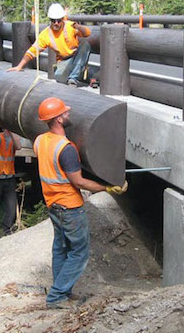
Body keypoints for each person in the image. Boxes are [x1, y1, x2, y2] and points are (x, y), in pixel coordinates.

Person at [32, 97, 126, 309]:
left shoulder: (40, 141)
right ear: (57, 119)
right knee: (79, 252)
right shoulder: (66, 148)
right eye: (64, 113)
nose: (68, 114)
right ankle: (56, 297)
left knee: (61, 249)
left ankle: (62, 291)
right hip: (69, 206)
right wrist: (107, 187)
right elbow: (78, 181)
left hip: (53, 204)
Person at [7, 3, 93, 86]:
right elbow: (32, 51)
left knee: (85, 45)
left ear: (62, 19)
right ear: (50, 20)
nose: (56, 23)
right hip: (64, 60)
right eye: (53, 20)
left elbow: (87, 33)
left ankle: (73, 79)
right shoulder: (46, 34)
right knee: (59, 77)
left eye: (59, 20)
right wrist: (19, 66)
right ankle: (75, 72)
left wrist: (79, 27)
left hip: (76, 55)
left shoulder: (70, 26)